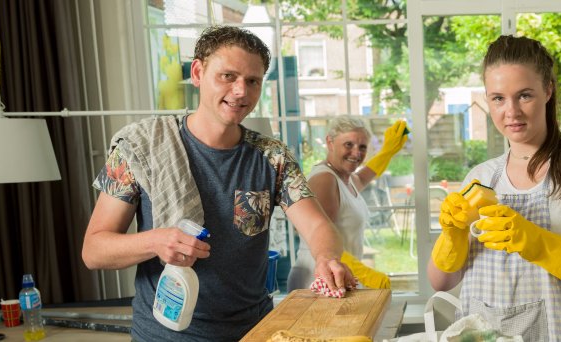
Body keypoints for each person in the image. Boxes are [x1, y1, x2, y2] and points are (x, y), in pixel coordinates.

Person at [81, 26, 356, 341]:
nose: (241, 91)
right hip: (164, 335)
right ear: (198, 72)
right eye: (228, 76)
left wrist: (326, 257)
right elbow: (94, 250)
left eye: (252, 81)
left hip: (255, 332)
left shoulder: (273, 157)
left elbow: (319, 227)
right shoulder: (140, 148)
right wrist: (155, 241)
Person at [426, 35, 561, 341]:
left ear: (548, 90)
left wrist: (536, 243)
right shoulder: (481, 176)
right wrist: (452, 235)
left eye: (524, 95)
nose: (511, 111)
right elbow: (441, 281)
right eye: (498, 98)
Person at [287, 116, 407, 291]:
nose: (357, 153)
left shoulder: (347, 179)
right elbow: (318, 236)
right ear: (330, 142)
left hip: (337, 277)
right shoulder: (324, 179)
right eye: (348, 144)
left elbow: (366, 175)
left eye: (362, 147)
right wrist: (365, 273)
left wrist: (387, 151)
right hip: (317, 280)